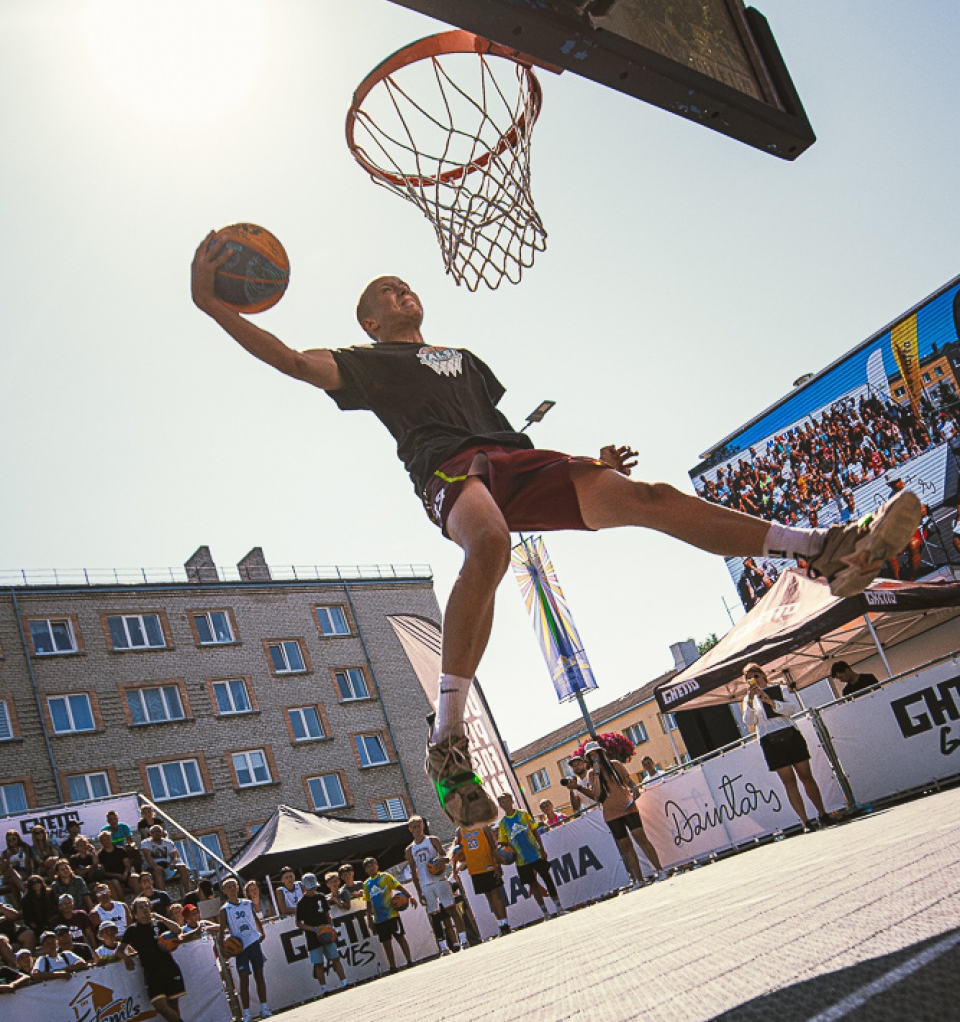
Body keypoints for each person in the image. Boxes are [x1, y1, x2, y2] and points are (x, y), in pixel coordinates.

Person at [191, 249, 922, 827]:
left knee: (648, 497)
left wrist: (587, 466)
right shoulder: (367, 361)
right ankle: (448, 736)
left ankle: (823, 549)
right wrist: (215, 305)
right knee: (490, 545)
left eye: (405, 284)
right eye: (386, 290)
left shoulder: (466, 359)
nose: (401, 291)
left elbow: (501, 431)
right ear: (370, 320)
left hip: (514, 457)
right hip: (448, 467)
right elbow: (293, 362)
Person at [741, 663, 829, 830]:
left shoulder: (779, 689)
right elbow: (749, 721)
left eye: (756, 677)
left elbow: (791, 709)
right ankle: (805, 821)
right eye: (749, 680)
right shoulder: (748, 700)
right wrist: (752, 700)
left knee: (806, 776)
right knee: (789, 781)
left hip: (789, 733)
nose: (754, 681)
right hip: (769, 738)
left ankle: (823, 813)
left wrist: (770, 701)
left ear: (763, 675)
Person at [566, 743, 663, 888]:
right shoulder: (592, 774)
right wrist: (594, 776)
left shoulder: (615, 764)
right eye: (591, 755)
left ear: (601, 753)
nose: (594, 757)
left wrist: (634, 787)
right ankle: (639, 879)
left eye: (595, 753)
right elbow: (596, 795)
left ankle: (660, 870)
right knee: (626, 847)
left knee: (641, 838)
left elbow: (628, 780)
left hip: (627, 807)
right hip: (611, 813)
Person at [121, 897, 195, 1022]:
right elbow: (119, 950)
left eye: (147, 906)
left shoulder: (158, 924)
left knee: (173, 1003)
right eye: (141, 907)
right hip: (151, 971)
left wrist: (161, 917)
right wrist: (126, 958)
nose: (145, 909)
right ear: (135, 914)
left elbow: (178, 930)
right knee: (160, 1005)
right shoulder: (132, 930)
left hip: (168, 966)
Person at [405, 817, 469, 955]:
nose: (417, 829)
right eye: (414, 827)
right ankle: (443, 947)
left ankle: (464, 940)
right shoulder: (410, 849)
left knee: (451, 909)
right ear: (410, 830)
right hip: (425, 884)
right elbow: (414, 872)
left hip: (440, 880)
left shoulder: (432, 840)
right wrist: (419, 892)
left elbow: (447, 857)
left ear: (423, 826)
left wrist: (442, 860)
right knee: (434, 915)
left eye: (418, 826)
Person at [496, 794, 562, 918]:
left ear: (512, 801)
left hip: (535, 853)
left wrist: (541, 849)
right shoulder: (503, 823)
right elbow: (503, 843)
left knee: (547, 878)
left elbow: (534, 830)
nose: (505, 803)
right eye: (502, 802)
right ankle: (545, 913)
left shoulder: (523, 814)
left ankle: (559, 907)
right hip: (521, 860)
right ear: (500, 806)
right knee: (533, 885)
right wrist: (507, 854)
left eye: (506, 800)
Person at [218, 877, 272, 1022]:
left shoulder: (248, 903)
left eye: (233, 886)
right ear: (224, 891)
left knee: (259, 975)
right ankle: (247, 1013)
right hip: (240, 947)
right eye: (228, 887)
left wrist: (261, 932)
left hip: (253, 942)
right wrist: (223, 949)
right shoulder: (225, 909)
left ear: (238, 888)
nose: (232, 889)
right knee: (243, 979)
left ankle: (264, 1007)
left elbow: (254, 918)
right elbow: (221, 930)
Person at [452, 825, 511, 936]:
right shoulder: (460, 830)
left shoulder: (483, 825)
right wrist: (454, 869)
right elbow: (456, 851)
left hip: (489, 864)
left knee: (496, 894)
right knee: (489, 896)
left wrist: (497, 865)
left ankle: (505, 924)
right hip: (475, 868)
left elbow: (493, 847)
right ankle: (500, 924)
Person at [296, 872, 348, 995]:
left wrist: (331, 927)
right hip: (312, 936)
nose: (312, 890)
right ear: (304, 887)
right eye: (310, 888)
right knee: (318, 963)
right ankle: (324, 989)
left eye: (313, 887)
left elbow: (327, 914)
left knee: (335, 958)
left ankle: (345, 982)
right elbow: (298, 923)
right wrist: (314, 929)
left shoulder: (320, 897)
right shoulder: (301, 903)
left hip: (327, 932)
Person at [361, 856, 414, 973]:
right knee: (386, 943)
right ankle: (392, 966)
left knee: (400, 937)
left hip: (391, 914)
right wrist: (369, 919)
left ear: (377, 866)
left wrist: (410, 896)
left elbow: (398, 886)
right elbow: (368, 902)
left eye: (372, 865)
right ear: (365, 870)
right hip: (379, 918)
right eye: (368, 867)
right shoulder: (366, 884)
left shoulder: (385, 876)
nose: (371, 868)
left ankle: (409, 960)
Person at [141, 825, 190, 896]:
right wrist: (156, 866)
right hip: (151, 868)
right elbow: (147, 857)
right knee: (158, 870)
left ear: (162, 832)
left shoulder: (168, 842)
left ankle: (188, 893)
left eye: (159, 831)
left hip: (166, 866)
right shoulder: (146, 843)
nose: (157, 833)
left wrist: (172, 863)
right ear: (150, 834)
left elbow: (174, 857)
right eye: (154, 832)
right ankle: (164, 896)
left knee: (182, 866)